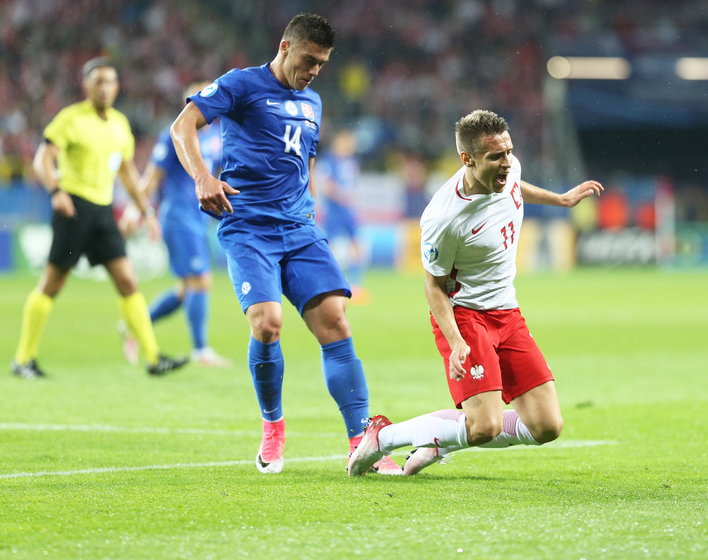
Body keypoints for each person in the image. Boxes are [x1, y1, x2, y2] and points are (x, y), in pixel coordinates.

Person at [169, 13, 401, 475]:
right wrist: (202, 177)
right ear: (285, 47)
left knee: (336, 321)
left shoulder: (313, 101)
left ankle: (362, 442)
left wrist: (309, 205)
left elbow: (304, 161)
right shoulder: (241, 84)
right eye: (309, 59)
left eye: (322, 63)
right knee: (268, 322)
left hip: (299, 229)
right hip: (249, 226)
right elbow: (183, 126)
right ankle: (272, 428)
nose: (314, 70)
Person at [348, 109, 604, 476]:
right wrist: (455, 341)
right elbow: (433, 285)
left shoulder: (509, 170)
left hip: (507, 313)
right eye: (495, 157)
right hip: (466, 315)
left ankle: (442, 439)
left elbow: (515, 185)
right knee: (484, 427)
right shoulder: (444, 218)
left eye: (509, 152)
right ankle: (383, 438)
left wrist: (560, 200)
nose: (507, 163)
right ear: (467, 159)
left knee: (547, 426)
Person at [10, 57, 189, 379]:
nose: (104, 88)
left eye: (110, 82)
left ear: (117, 87)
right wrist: (56, 192)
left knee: (128, 281)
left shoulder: (120, 124)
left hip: (103, 213)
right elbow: (43, 159)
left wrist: (146, 211)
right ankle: (24, 358)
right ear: (87, 86)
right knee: (52, 283)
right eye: (98, 82)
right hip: (73, 209)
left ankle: (153, 357)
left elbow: (128, 174)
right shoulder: (70, 119)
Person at [121, 81, 230, 368]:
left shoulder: (216, 138)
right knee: (200, 282)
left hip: (199, 218)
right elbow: (152, 178)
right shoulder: (174, 136)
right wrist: (136, 210)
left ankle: (135, 325)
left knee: (185, 290)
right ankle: (200, 350)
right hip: (178, 216)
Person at [315, 129, 367, 299]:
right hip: (335, 211)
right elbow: (326, 185)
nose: (350, 146)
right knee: (330, 247)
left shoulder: (352, 161)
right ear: (338, 142)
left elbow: (353, 184)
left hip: (348, 210)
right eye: (347, 142)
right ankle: (328, 282)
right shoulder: (328, 160)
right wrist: (341, 196)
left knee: (357, 245)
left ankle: (356, 283)